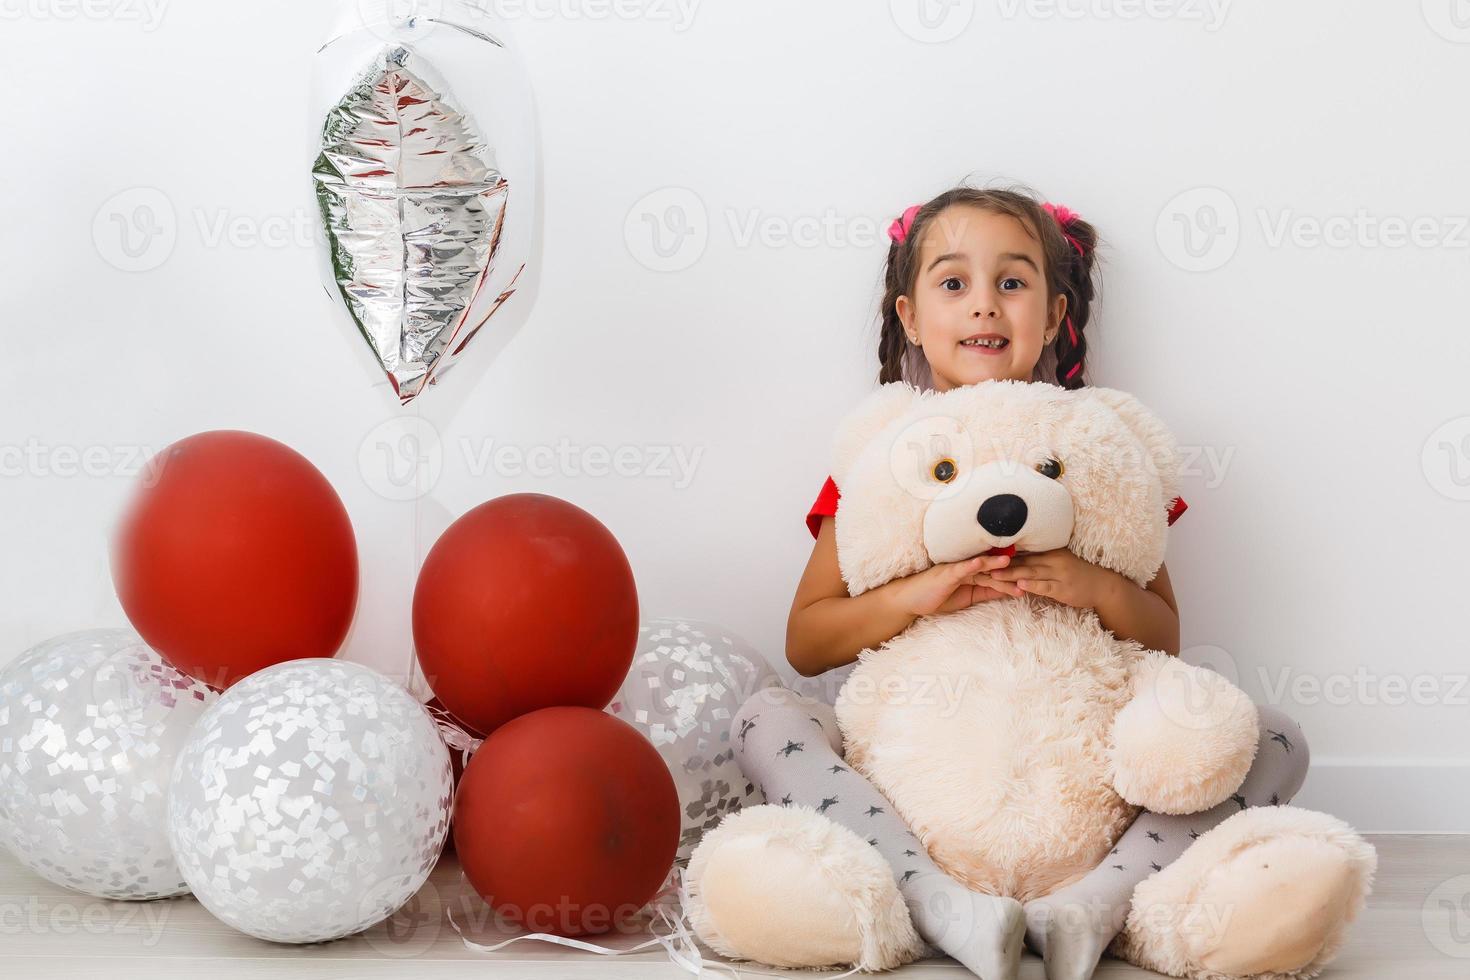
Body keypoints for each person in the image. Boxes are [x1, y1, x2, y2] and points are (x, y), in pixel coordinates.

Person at [729, 186, 1308, 980]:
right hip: (923, 791)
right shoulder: (882, 462)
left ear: (1055, 311)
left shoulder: (1096, 450)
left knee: (1268, 735)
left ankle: (1095, 904)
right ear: (908, 315)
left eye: (1012, 282)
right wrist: (918, 593)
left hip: (1078, 796)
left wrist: (1088, 583)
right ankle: (928, 892)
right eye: (954, 283)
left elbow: (1167, 637)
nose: (984, 308)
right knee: (765, 718)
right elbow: (807, 642)